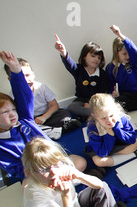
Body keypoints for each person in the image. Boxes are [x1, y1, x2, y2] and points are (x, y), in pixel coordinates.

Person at [0, 51, 86, 181]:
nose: (12, 113)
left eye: (13, 109)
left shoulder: (23, 119)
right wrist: (43, 172)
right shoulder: (2, 145)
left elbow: (24, 97)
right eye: (5, 112)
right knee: (32, 188)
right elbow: (17, 170)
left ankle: (66, 182)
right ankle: (69, 182)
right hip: (37, 174)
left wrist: (16, 70)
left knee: (80, 162)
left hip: (54, 160)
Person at [4, 57, 81, 140]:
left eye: (27, 75)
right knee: (26, 128)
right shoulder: (12, 96)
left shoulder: (41, 87)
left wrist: (44, 117)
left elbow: (54, 105)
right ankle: (58, 130)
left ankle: (48, 131)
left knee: (64, 113)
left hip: (47, 115)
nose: (25, 80)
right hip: (33, 121)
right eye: (21, 77)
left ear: (33, 74)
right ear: (10, 80)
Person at [84, 93, 137, 170]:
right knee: (99, 162)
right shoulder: (92, 128)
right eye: (103, 118)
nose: (109, 121)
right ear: (95, 116)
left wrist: (117, 129)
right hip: (103, 148)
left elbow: (132, 139)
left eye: (111, 115)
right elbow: (101, 153)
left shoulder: (122, 118)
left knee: (136, 143)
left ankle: (120, 156)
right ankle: (134, 154)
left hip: (119, 145)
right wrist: (109, 135)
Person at [54, 35, 111, 119]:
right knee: (72, 107)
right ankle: (96, 115)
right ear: (84, 56)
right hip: (81, 100)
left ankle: (94, 114)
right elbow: (69, 64)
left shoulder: (102, 74)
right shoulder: (79, 69)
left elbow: (103, 93)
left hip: (97, 101)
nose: (96, 59)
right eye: (93, 56)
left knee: (106, 104)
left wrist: (92, 105)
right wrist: (63, 51)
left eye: (99, 58)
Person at [107, 25, 137, 112]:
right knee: (117, 102)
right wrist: (113, 92)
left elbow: (135, 52)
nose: (128, 56)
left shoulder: (132, 62)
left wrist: (121, 35)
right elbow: (111, 84)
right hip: (125, 94)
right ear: (117, 53)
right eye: (124, 54)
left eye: (128, 53)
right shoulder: (110, 67)